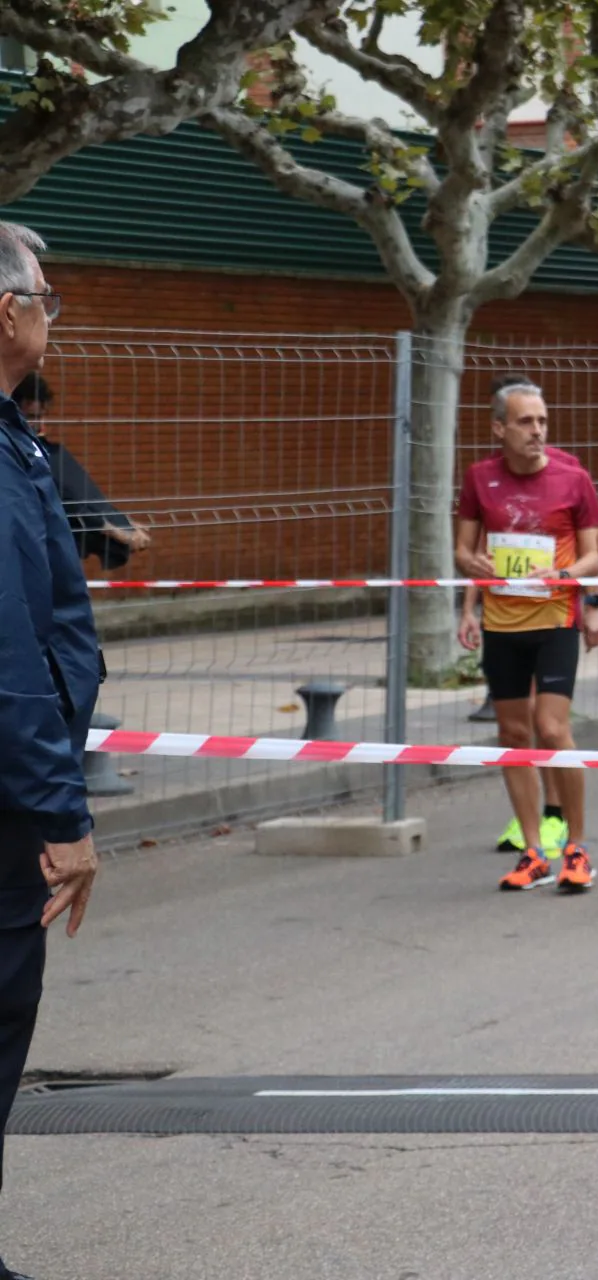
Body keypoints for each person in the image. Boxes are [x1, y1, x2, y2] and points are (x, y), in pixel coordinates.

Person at [0, 221, 101, 1280]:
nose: (52, 316)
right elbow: (10, 655)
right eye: (46, 297)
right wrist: (63, 816)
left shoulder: (14, 435)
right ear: (5, 311)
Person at [455, 382, 598, 893]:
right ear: (499, 428)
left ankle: (577, 846)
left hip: (554, 621)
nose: (537, 430)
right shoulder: (479, 478)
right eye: (525, 422)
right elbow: (464, 549)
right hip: (502, 625)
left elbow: (594, 556)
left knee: (553, 728)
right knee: (514, 736)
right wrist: (471, 575)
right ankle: (534, 851)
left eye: (541, 421)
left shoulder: (572, 479)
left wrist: (570, 578)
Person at [15, 372, 153, 569]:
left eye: (41, 416)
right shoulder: (16, 455)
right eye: (31, 417)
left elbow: (74, 492)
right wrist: (110, 527)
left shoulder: (43, 453)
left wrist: (118, 520)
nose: (39, 425)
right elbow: (62, 496)